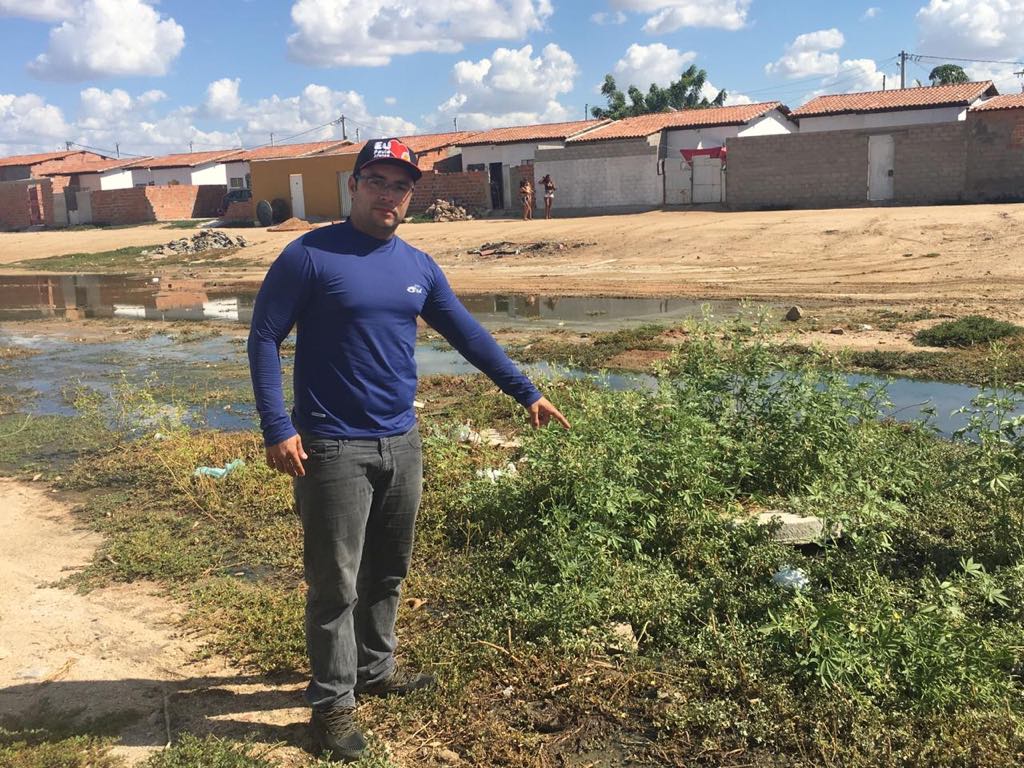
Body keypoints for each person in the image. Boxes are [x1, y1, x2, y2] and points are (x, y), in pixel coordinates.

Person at [247, 138, 570, 763]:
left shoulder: (418, 266)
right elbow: (264, 339)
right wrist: (276, 427)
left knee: (389, 568)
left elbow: (466, 332)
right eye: (378, 181)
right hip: (331, 445)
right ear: (354, 185)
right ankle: (332, 705)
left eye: (401, 185)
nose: (389, 194)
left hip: (403, 440)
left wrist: (524, 392)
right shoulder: (308, 256)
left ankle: (376, 669)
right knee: (335, 584)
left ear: (411, 194)